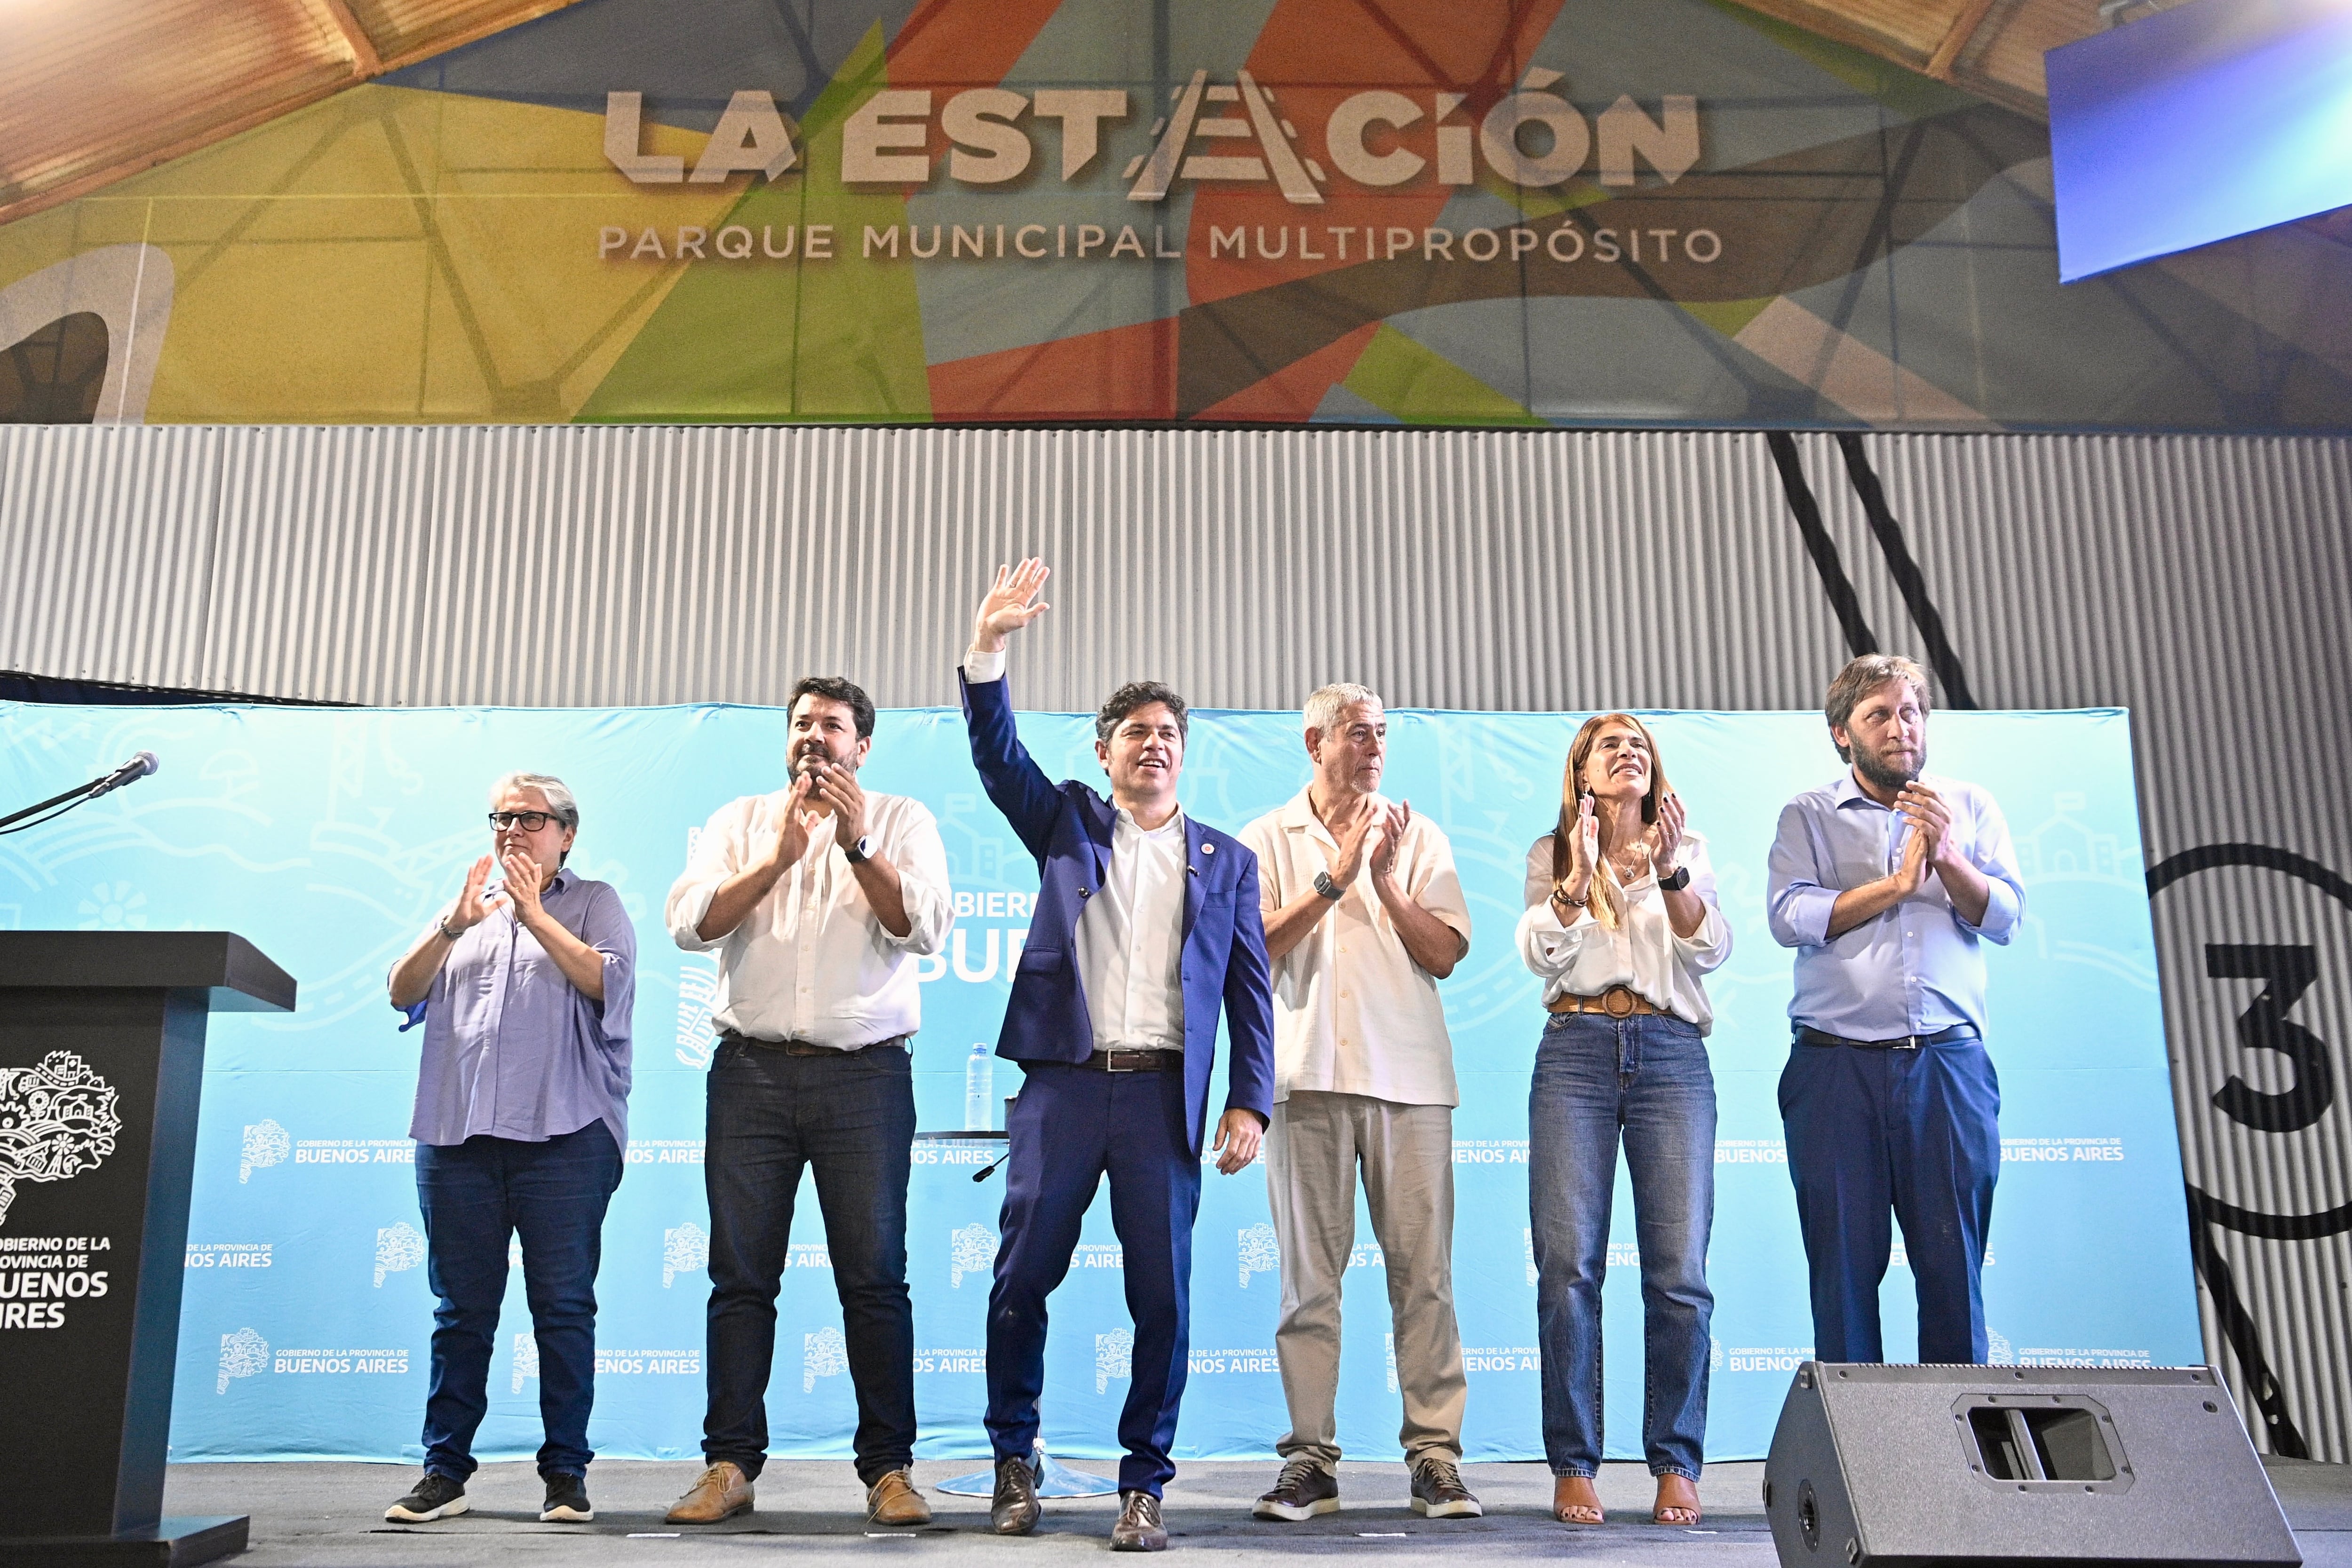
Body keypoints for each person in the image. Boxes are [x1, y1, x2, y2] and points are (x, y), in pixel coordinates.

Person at [961, 558, 1277, 1552]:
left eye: (1168, 734)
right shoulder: (1064, 819)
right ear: (1104, 752)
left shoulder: (1228, 859)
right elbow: (995, 753)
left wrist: (1250, 1101)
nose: (1154, 744)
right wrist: (990, 649)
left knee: (1163, 1299)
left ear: (1185, 756)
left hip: (1160, 1101)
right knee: (1020, 1282)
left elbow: (1249, 991)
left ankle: (1145, 1482)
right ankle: (1016, 1459)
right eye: (1135, 732)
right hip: (1061, 1088)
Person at [660, 676, 954, 1528]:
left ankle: (889, 1471)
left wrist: (856, 844)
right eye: (801, 724)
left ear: (863, 745)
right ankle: (729, 1465)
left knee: (874, 1280)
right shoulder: (740, 820)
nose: (813, 737)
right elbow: (690, 922)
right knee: (741, 1277)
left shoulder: (902, 819)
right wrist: (778, 858)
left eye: (832, 725)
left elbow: (925, 929)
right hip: (750, 1074)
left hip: (864, 1077)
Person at [1239, 684, 1480, 1522]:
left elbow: (1447, 949)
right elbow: (1251, 948)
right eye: (1356, 732)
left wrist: (1383, 880)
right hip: (1302, 1079)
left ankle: (1436, 1458)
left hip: (1410, 1083)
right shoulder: (1266, 837)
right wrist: (1334, 882)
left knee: (1427, 1281)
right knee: (1309, 1285)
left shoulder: (1417, 833)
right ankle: (1311, 1460)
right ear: (1314, 740)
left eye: (1382, 732)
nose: (1374, 746)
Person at [381, 773, 634, 1527]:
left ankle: (565, 1474)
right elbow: (401, 990)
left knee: (561, 1308)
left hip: (565, 1137)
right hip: (459, 1138)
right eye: (501, 816)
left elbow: (607, 983)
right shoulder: (472, 909)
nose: (512, 829)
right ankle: (444, 1472)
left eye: (530, 817)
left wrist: (534, 915)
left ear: (567, 833)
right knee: (460, 1311)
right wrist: (453, 925)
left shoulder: (595, 904)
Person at [1767, 655, 2023, 1366]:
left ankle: (1961, 1462)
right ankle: (1863, 1463)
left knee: (1954, 1269)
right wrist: (1897, 884)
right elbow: (1790, 915)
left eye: (1910, 712)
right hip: (1834, 1068)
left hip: (1947, 1064)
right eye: (1878, 714)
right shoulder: (1808, 814)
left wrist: (1947, 857)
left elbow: (2004, 914)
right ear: (1841, 735)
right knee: (1844, 1274)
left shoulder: (1969, 806)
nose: (1899, 727)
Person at [1518, 715, 1729, 1529]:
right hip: (1575, 1048)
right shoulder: (1552, 854)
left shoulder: (1689, 846)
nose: (1628, 752)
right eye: (1610, 745)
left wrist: (1672, 872)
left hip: (1672, 1049)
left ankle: (1676, 1460)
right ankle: (1575, 1462)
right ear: (1583, 772)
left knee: (1679, 1270)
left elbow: (1710, 948)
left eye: (1638, 743)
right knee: (1568, 1263)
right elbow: (1540, 953)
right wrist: (1578, 877)